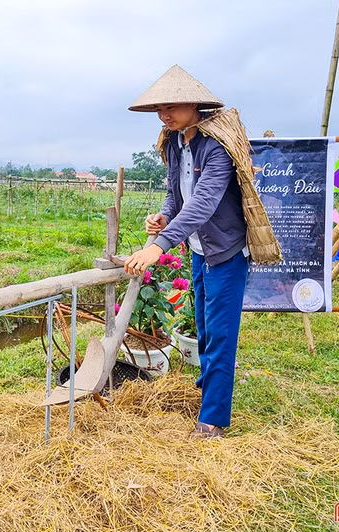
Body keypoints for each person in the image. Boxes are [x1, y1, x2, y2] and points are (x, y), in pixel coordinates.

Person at [122, 65, 280, 439]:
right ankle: (210, 383)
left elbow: (204, 203)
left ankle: (213, 421)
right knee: (206, 330)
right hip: (198, 249)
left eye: (171, 106)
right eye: (159, 109)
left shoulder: (217, 146)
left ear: (194, 104)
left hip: (224, 251)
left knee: (222, 336)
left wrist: (160, 247)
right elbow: (177, 196)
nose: (164, 114)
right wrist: (163, 216)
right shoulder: (174, 143)